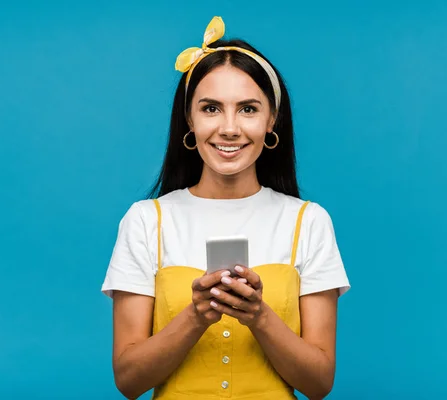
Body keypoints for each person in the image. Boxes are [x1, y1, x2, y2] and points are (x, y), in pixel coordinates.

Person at [101, 16, 350, 400]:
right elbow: (129, 381)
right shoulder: (145, 221)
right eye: (211, 108)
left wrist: (260, 317)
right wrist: (196, 316)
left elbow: (319, 384)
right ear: (189, 118)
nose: (229, 128)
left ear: (272, 120)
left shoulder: (309, 221)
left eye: (248, 109)